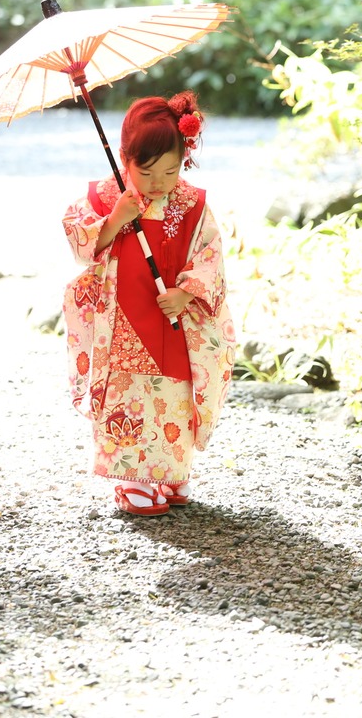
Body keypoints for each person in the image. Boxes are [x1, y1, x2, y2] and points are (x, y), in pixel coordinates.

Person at [61, 91, 236, 516]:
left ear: (185, 159)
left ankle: (170, 473)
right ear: (124, 157)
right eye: (147, 171)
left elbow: (210, 254)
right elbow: (82, 243)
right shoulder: (104, 198)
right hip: (122, 316)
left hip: (172, 314)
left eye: (170, 171)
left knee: (174, 391)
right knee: (129, 391)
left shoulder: (192, 205)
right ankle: (130, 478)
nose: (159, 183)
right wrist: (116, 219)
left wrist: (186, 291)